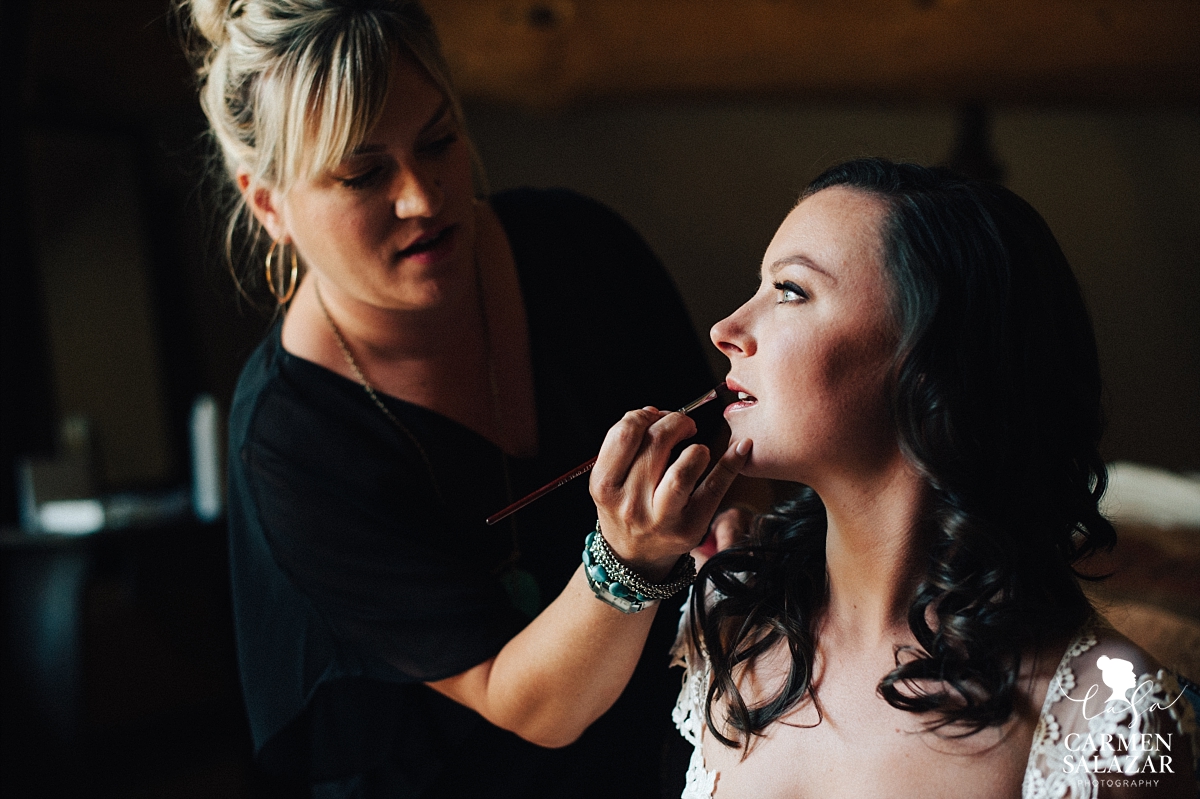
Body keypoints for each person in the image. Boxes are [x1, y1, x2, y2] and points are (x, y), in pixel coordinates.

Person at [180, 0, 750, 796]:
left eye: (439, 140)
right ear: (268, 203)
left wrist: (728, 520)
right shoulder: (290, 439)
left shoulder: (584, 249)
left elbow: (732, 464)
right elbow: (527, 702)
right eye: (363, 172)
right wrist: (627, 560)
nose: (423, 195)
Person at [590, 158, 1199, 798]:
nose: (727, 330)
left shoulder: (1111, 720)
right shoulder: (732, 621)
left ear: (930, 359)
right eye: (759, 286)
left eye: (790, 291)